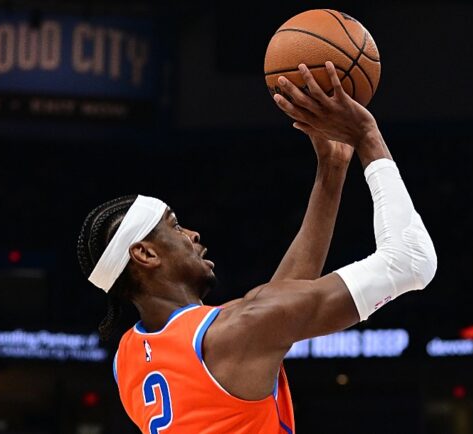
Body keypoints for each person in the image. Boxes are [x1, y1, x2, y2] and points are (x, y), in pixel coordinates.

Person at [76, 62, 437, 434]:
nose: (193, 234)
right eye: (174, 226)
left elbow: (274, 309)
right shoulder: (236, 332)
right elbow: (410, 261)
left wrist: (331, 170)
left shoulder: (128, 359)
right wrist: (367, 134)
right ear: (146, 254)